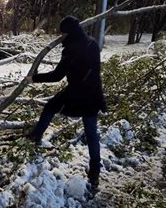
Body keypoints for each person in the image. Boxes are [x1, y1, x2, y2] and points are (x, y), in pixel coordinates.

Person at [26, 15, 106, 188]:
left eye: (62, 33)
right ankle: (94, 172)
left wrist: (34, 78)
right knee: (92, 133)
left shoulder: (71, 48)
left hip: (77, 92)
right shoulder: (92, 43)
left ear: (68, 32)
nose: (61, 36)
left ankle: (35, 136)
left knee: (49, 107)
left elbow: (57, 76)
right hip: (94, 92)